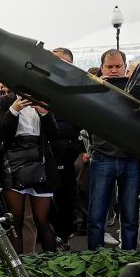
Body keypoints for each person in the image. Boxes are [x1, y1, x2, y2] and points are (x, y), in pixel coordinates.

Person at [87, 49, 140, 250]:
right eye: (110, 66)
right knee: (96, 214)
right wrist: (100, 86)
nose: (115, 70)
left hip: (130, 157)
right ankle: (95, 259)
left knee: (130, 215)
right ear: (102, 68)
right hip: (102, 156)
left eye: (118, 66)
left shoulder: (135, 88)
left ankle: (128, 260)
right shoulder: (94, 88)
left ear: (126, 68)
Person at [0, 95, 59, 253]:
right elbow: (0, 133)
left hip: (40, 162)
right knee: (16, 220)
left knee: (42, 220)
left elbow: (55, 135)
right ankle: (17, 269)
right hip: (12, 163)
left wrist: (45, 113)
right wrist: (13, 110)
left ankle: (53, 265)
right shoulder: (6, 101)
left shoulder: (44, 100)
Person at [46, 47, 83, 243]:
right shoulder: (42, 86)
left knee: (67, 194)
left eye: (61, 61)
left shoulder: (77, 89)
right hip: (47, 151)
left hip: (69, 152)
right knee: (48, 197)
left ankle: (65, 235)